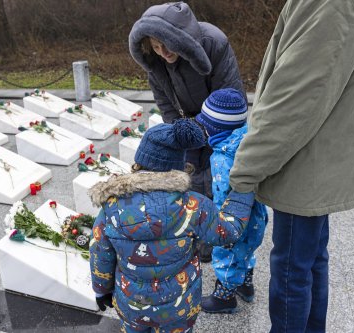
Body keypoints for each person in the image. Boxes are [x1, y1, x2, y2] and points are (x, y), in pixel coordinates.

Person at [224, 1, 354, 331]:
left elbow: (297, 99)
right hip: (319, 151)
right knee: (310, 260)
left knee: (293, 267)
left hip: (306, 157)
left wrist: (244, 176)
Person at [88, 119, 255, 333]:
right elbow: (228, 232)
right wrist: (243, 191)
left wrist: (101, 289)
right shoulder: (194, 205)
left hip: (132, 306)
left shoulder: (112, 205)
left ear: (140, 160)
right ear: (178, 165)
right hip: (179, 308)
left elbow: (99, 251)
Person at [128, 1, 245, 200]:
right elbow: (166, 105)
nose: (163, 53)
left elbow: (229, 96)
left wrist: (202, 129)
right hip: (186, 124)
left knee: (219, 179)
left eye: (166, 45)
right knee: (191, 182)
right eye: (156, 47)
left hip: (218, 122)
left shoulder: (212, 43)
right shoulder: (156, 63)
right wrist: (182, 132)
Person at [195, 88, 268, 314]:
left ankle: (224, 297)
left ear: (214, 128)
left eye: (205, 124)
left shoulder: (222, 156)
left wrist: (214, 223)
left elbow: (221, 194)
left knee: (226, 255)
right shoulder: (247, 144)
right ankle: (246, 286)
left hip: (231, 220)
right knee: (246, 250)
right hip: (255, 215)